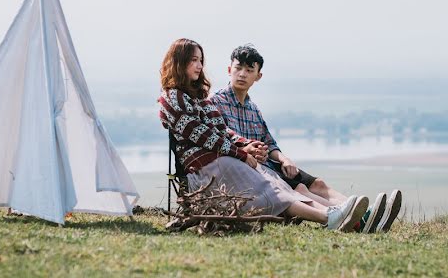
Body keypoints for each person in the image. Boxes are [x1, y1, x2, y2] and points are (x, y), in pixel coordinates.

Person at [157, 38, 368, 231]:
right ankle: (333, 217)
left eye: (201, 60)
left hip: (224, 160)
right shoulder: (171, 98)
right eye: (194, 60)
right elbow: (202, 135)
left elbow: (222, 131)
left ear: (258, 75)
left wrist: (247, 144)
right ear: (179, 62)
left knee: (282, 184)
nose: (200, 66)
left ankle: (343, 215)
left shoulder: (203, 99)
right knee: (276, 187)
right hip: (206, 168)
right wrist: (242, 152)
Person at [210, 43, 402, 233]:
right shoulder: (217, 102)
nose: (242, 74)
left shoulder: (253, 109)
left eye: (249, 70)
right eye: (238, 68)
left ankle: (367, 214)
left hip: (269, 164)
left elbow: (269, 143)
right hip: (250, 169)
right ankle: (356, 221)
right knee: (300, 189)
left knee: (317, 184)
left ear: (258, 76)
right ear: (229, 70)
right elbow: (222, 138)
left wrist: (284, 159)